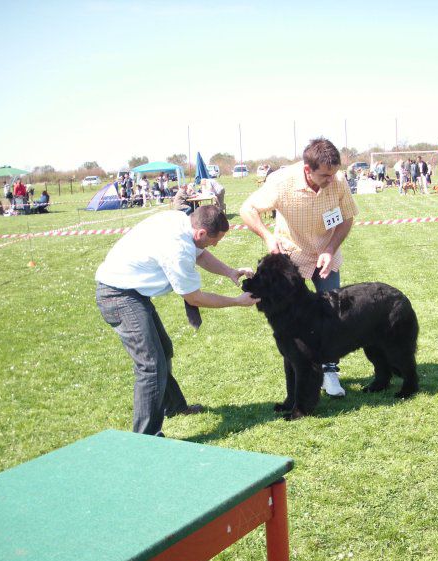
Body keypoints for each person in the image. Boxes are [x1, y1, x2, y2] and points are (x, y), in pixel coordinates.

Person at [95, 205, 258, 436]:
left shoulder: (181, 221)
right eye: (215, 240)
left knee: (163, 350)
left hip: (132, 292)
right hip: (118, 296)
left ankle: (174, 406)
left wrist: (229, 271)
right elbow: (194, 297)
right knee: (150, 365)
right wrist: (237, 301)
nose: (216, 245)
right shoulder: (177, 248)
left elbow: (200, 253)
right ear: (200, 233)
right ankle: (146, 438)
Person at [240, 137, 359, 397]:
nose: (331, 180)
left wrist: (330, 249)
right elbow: (246, 209)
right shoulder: (281, 182)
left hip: (326, 256)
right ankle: (298, 368)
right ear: (308, 169)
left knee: (331, 316)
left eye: (334, 173)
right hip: (292, 259)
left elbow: (347, 218)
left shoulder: (337, 181)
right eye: (325, 175)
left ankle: (330, 373)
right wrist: (267, 237)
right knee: (293, 320)